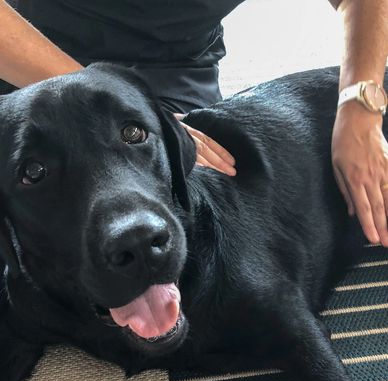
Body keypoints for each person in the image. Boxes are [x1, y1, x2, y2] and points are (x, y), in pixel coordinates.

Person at [0, 0, 387, 246]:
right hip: (30, 63)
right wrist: (120, 103)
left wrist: (359, 105)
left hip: (172, 69)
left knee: (203, 226)